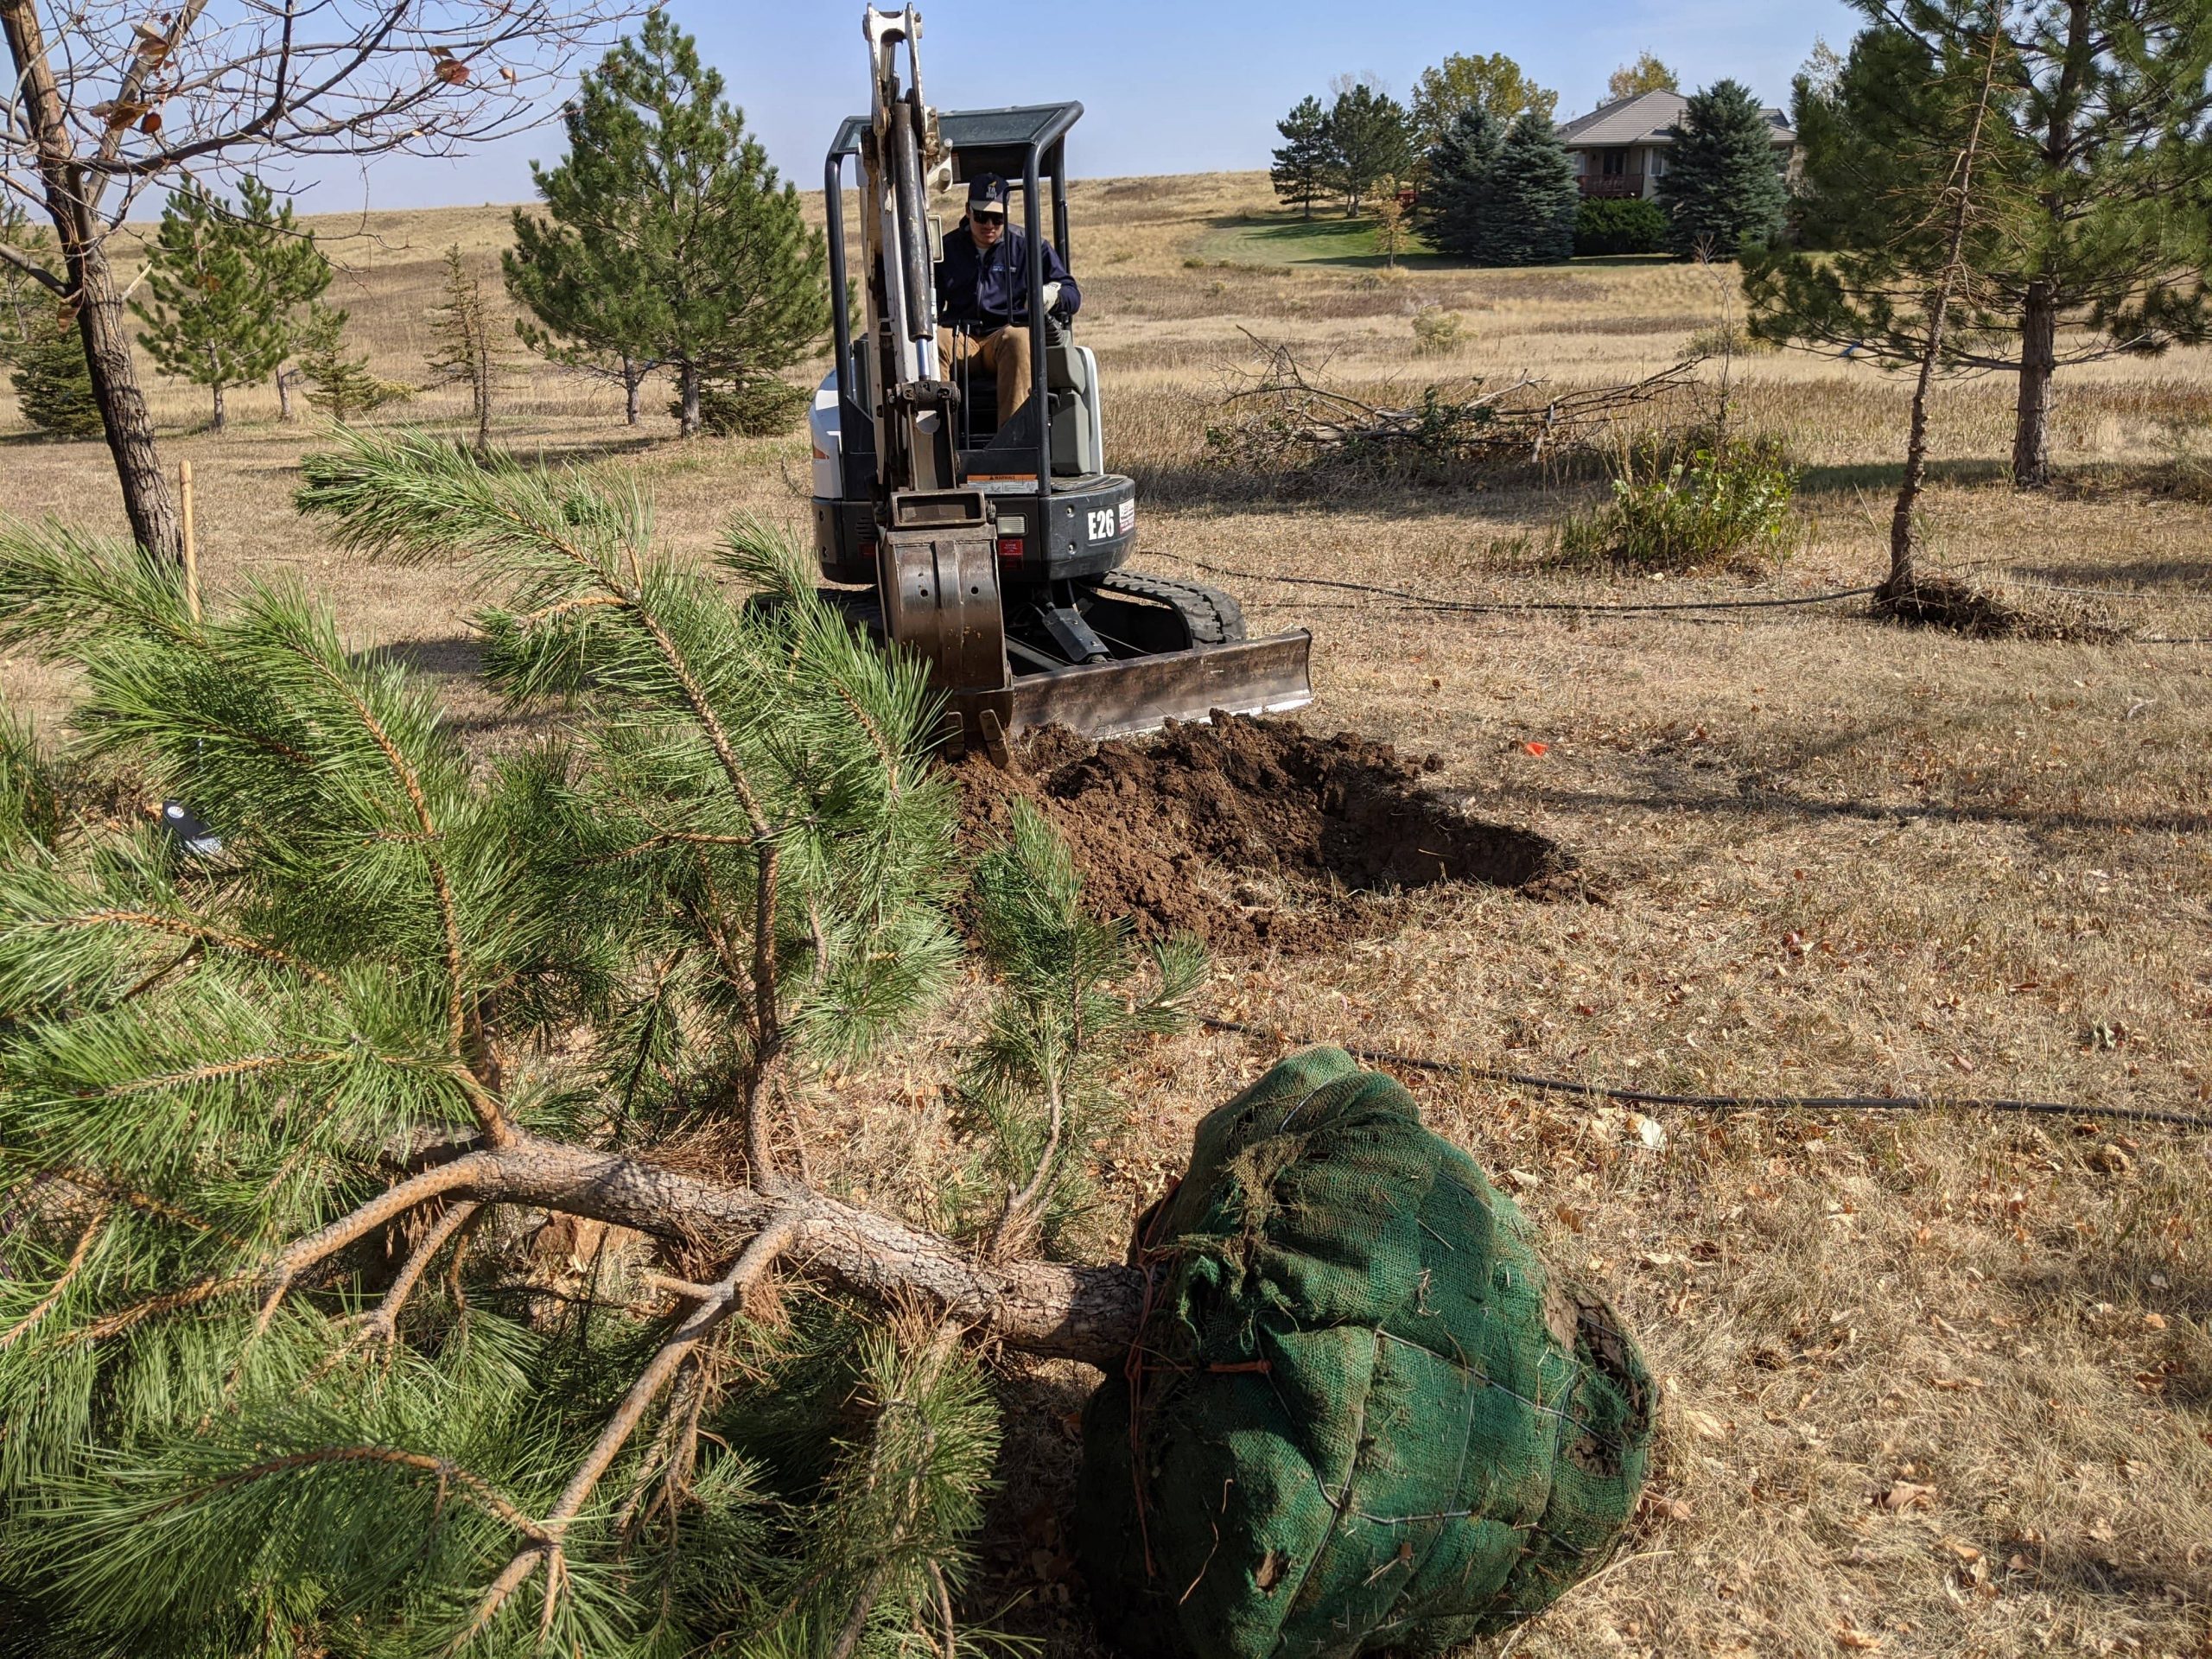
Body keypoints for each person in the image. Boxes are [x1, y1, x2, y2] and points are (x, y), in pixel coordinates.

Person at [934, 174, 1080, 425]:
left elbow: (1072, 294)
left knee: (1019, 338)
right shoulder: (947, 249)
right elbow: (930, 301)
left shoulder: (1029, 247)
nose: (989, 225)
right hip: (961, 338)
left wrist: (1052, 294)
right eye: (982, 216)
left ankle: (1013, 441)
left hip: (1003, 337)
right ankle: (937, 437)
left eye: (997, 217)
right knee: (932, 341)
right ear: (968, 211)